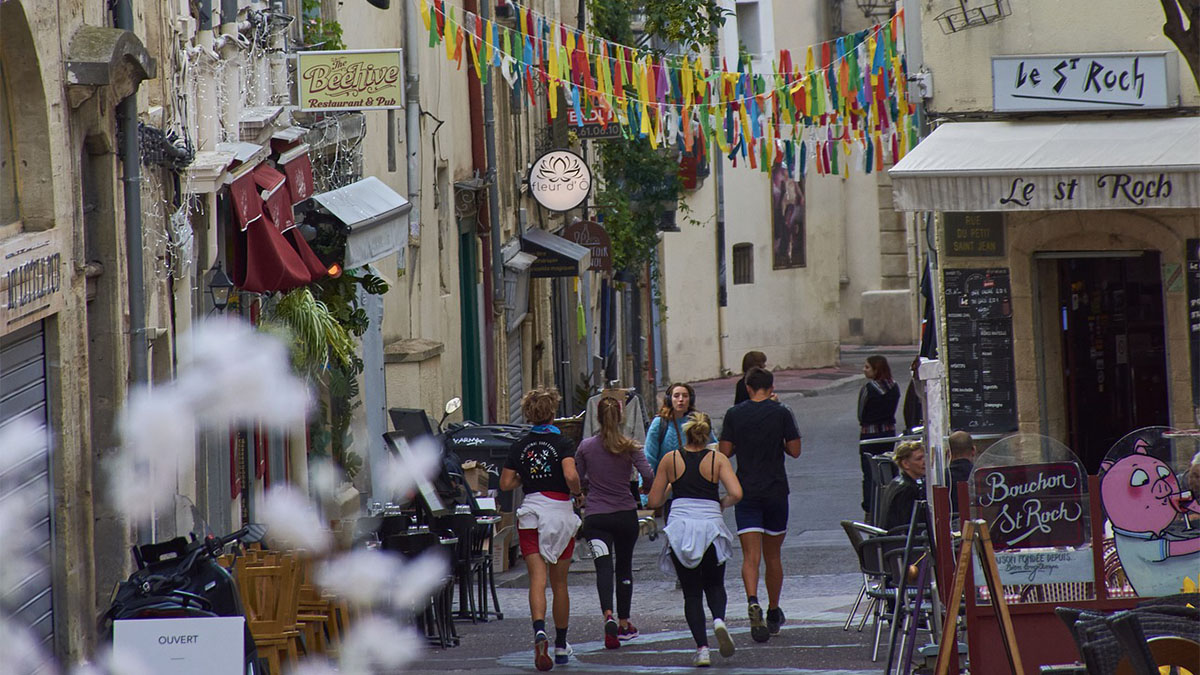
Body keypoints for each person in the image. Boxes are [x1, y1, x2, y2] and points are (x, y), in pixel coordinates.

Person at [647, 414, 743, 667]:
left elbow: (654, 501)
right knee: (714, 583)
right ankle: (719, 620)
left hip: (681, 524)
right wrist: (720, 503)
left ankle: (702, 649)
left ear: (686, 434)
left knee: (691, 593)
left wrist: (670, 486)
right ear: (706, 435)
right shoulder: (717, 459)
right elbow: (736, 493)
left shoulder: (671, 459)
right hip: (710, 524)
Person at [718, 367, 802, 643]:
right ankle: (773, 609)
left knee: (750, 556)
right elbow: (795, 450)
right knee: (773, 555)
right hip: (776, 490)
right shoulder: (782, 412)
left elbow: (725, 452)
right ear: (771, 385)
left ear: (748, 386)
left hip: (746, 491)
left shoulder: (734, 414)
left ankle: (752, 599)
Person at [500, 387, 582, 671]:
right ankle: (560, 645)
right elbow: (571, 475)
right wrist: (578, 491)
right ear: (553, 412)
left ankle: (538, 629)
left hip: (531, 515)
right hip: (559, 514)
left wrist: (526, 477)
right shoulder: (563, 442)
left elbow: (505, 484)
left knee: (537, 579)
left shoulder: (519, 445)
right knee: (559, 584)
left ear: (528, 413)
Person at [575, 397, 655, 649]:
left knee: (603, 567)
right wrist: (645, 488)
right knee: (624, 567)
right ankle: (624, 622)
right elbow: (649, 474)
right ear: (620, 417)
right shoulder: (630, 446)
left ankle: (607, 614)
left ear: (597, 417)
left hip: (597, 518)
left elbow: (576, 479)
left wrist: (585, 490)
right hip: (625, 516)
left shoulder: (586, 447)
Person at [858, 354, 900, 520]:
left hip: (869, 434)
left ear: (876, 369)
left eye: (867, 367)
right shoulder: (894, 387)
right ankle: (889, 503)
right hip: (888, 433)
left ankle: (870, 507)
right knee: (887, 468)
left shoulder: (868, 389)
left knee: (869, 472)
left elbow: (861, 413)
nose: (864, 370)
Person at [645, 383, 711, 472]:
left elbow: (712, 446)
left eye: (685, 396)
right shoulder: (660, 423)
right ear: (669, 400)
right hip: (665, 480)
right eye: (676, 396)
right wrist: (646, 482)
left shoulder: (698, 421)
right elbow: (649, 456)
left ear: (691, 400)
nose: (681, 400)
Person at [879, 441, 927, 531]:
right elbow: (908, 524)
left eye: (924, 457)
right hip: (901, 541)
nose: (924, 462)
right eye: (919, 459)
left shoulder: (895, 483)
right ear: (905, 464)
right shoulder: (908, 490)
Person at [945, 431, 976, 518]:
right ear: (973, 450)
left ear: (948, 453)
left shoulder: (942, 478)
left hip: (950, 526)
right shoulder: (980, 474)